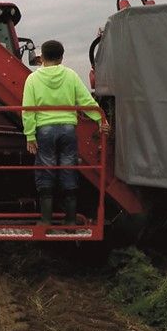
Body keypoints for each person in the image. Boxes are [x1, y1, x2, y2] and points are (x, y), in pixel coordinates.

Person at [22, 40, 109, 226]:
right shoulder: (71, 76)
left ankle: (46, 222)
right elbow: (86, 101)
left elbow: (28, 110)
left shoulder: (33, 79)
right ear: (61, 57)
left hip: (44, 131)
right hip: (68, 129)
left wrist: (30, 136)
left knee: (46, 171)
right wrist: (101, 120)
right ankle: (70, 222)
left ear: (41, 58)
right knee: (68, 169)